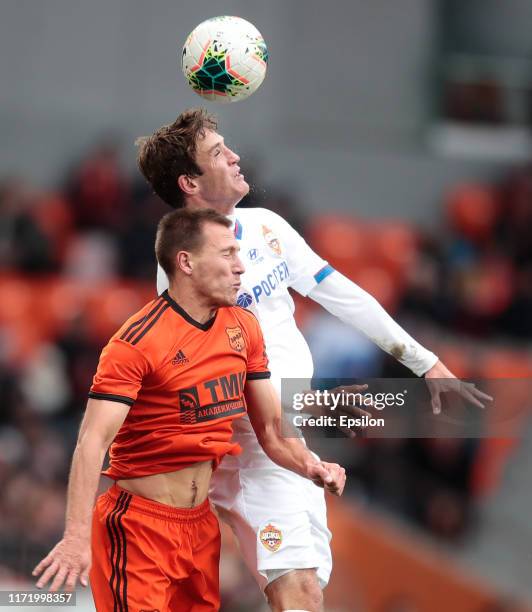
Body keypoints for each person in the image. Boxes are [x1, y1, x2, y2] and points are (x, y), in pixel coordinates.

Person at [136, 109, 490, 612]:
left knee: (308, 593)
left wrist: (424, 362)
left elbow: (341, 294)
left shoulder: (264, 227)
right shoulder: (183, 270)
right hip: (254, 450)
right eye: (217, 152)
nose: (235, 156)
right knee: (299, 592)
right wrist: (312, 410)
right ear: (189, 182)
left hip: (290, 437)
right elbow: (212, 382)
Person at [32, 208, 346, 611]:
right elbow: (92, 441)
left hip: (199, 526)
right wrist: (76, 536)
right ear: (186, 262)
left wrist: (311, 466)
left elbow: (269, 428)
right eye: (228, 254)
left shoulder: (243, 328)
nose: (240, 267)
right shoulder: (136, 342)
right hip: (139, 526)